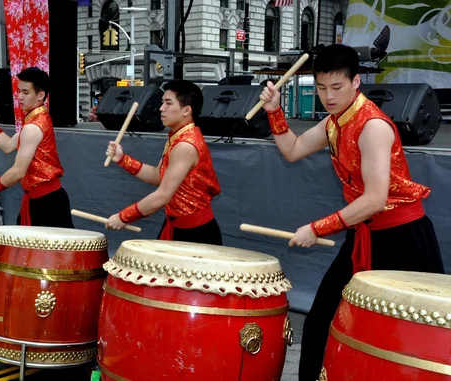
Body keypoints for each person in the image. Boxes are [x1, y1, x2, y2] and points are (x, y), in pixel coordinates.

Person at [259, 44, 446, 381]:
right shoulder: (335, 122)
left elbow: (376, 199)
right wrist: (274, 111)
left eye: (336, 87)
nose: (328, 97)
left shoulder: (372, 125)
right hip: (364, 231)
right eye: (320, 88)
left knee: (412, 336)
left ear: (356, 81)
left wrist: (317, 228)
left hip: (402, 237)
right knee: (322, 320)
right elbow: (293, 149)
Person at [104, 80, 222, 245]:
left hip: (195, 233)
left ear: (186, 110)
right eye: (162, 103)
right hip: (178, 226)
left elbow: (162, 195)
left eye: (168, 103)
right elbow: (158, 176)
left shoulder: (185, 145)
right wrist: (123, 159)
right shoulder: (177, 137)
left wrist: (123, 216)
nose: (161, 108)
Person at [0, 67, 74, 228]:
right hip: (41, 199)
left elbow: (18, 171)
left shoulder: (33, 126)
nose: (20, 97)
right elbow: (8, 146)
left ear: (40, 95)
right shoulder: (36, 120)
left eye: (26, 93)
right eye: (19, 91)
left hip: (46, 202)